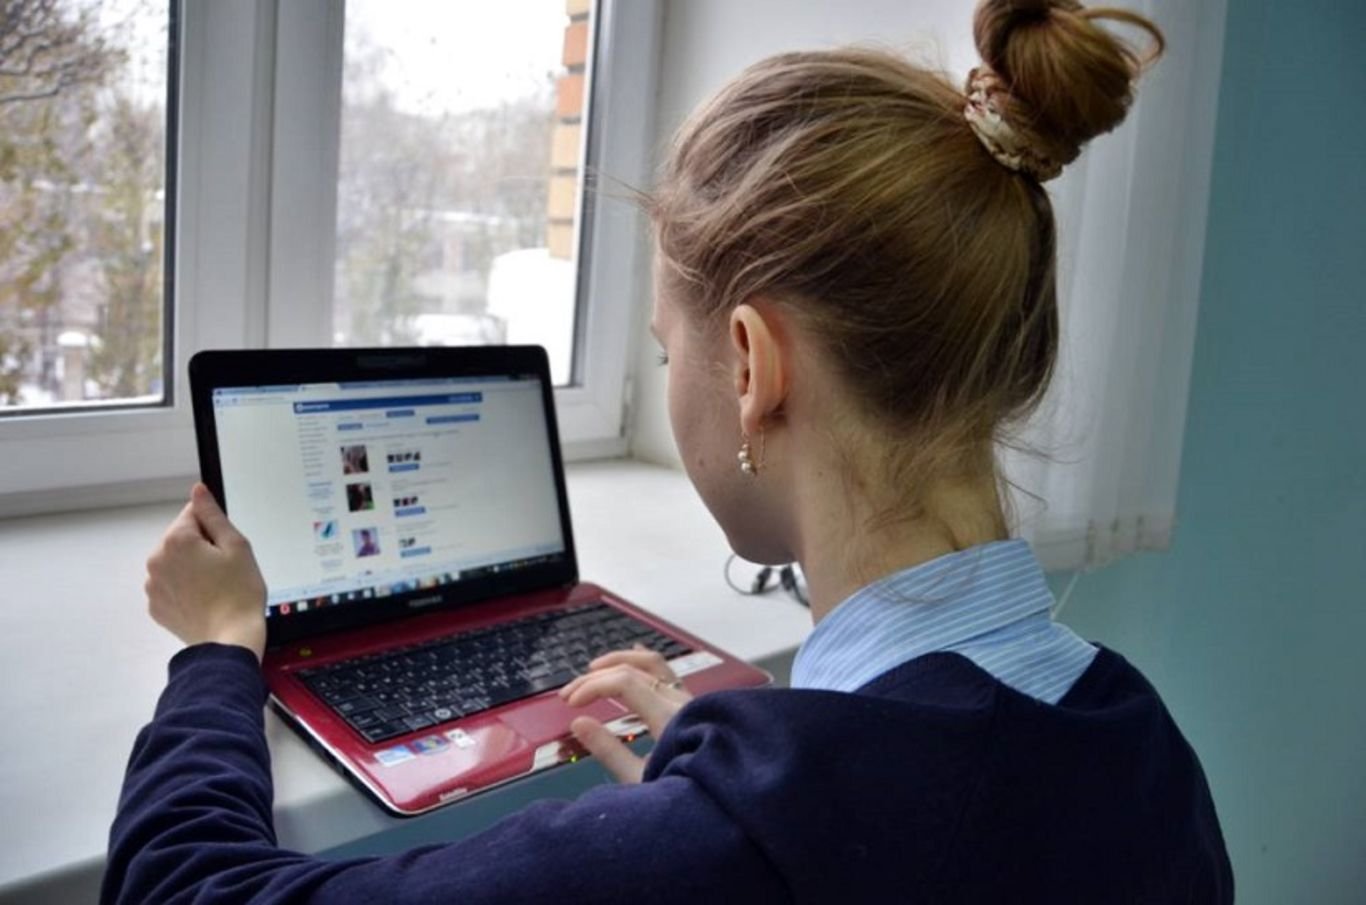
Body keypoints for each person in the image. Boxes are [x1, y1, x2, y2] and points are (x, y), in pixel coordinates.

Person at [103, 1, 1233, 902]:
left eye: (662, 350)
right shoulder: (1144, 745)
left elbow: (181, 887)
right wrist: (718, 781)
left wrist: (219, 647)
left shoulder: (736, 844)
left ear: (750, 367)